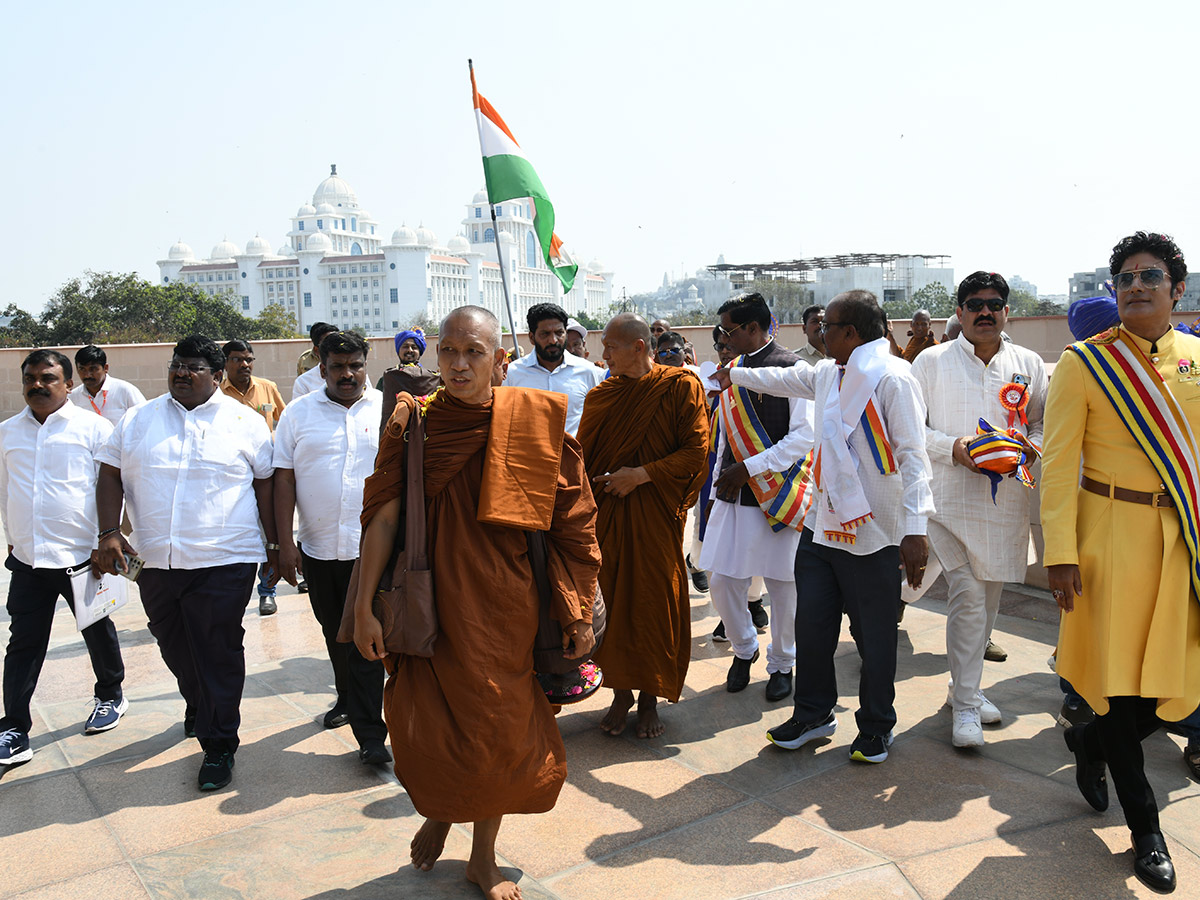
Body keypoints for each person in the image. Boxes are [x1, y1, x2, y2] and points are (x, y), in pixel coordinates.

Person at [351, 306, 601, 900]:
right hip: (427, 601)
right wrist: (362, 606)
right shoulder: (414, 423)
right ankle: (442, 809)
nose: (459, 366)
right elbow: (383, 514)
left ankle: (481, 858)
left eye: (474, 353)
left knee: (498, 724)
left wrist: (576, 607)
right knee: (428, 723)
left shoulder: (532, 420)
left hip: (503, 604)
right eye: (449, 352)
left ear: (499, 359)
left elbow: (574, 521)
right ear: (434, 355)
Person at [712, 290, 933, 764]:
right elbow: (783, 378)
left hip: (875, 532)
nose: (818, 333)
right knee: (811, 628)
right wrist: (735, 373)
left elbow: (915, 457)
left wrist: (916, 528)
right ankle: (813, 713)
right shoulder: (829, 374)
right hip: (822, 526)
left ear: (850, 333)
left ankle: (876, 725)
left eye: (827, 326)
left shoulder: (894, 378)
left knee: (873, 637)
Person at [1043, 232, 1200, 894]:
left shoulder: (1196, 357)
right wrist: (1058, 553)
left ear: (1177, 289)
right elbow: (1055, 464)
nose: (1136, 284)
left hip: (1182, 538)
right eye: (1125, 277)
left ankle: (1090, 744)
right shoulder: (1084, 362)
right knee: (1117, 687)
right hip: (1108, 539)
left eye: (1150, 275)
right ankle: (1147, 831)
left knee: (1180, 683)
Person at [94, 335, 279, 792]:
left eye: (193, 367)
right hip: (154, 562)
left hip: (225, 559)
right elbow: (110, 473)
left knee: (216, 648)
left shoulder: (246, 422)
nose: (180, 373)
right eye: (177, 364)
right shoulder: (138, 420)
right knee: (174, 645)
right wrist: (108, 531)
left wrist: (276, 546)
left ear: (216, 376)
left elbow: (266, 487)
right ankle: (199, 701)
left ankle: (219, 745)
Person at [911, 272, 1047, 748]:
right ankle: (967, 706)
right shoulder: (930, 362)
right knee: (968, 594)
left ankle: (960, 687)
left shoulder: (1027, 363)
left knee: (987, 600)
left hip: (1006, 501)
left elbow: (1041, 423)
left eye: (994, 304)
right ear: (961, 312)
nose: (985, 312)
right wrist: (956, 447)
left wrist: (1028, 449)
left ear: (1007, 311)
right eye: (974, 304)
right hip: (946, 500)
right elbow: (907, 430)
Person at [578, 313, 710, 739]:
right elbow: (584, 457)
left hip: (655, 512)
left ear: (638, 346)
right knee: (613, 602)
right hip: (610, 516)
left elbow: (696, 452)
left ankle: (650, 698)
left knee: (654, 600)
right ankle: (620, 695)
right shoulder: (604, 395)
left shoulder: (680, 386)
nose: (603, 355)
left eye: (610, 347)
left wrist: (641, 475)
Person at [0, 351, 126, 766]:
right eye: (30, 378)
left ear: (68, 384)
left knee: (96, 628)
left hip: (83, 555)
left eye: (49, 377)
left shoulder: (94, 428)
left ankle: (111, 696)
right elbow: (7, 491)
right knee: (23, 643)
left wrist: (106, 540)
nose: (38, 385)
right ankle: (14, 727)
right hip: (30, 560)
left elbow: (113, 487)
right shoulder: (7, 433)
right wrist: (13, 539)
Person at [274, 331, 388, 765]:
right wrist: (285, 543)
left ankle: (370, 735)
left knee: (366, 637)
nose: (347, 374)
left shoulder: (386, 410)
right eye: (337, 367)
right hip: (319, 548)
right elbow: (283, 477)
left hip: (373, 551)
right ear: (320, 369)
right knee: (332, 631)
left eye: (355, 365)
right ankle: (349, 699)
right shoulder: (298, 415)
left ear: (365, 366)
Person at [701, 293, 812, 702]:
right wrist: (717, 485)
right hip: (732, 490)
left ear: (752, 327)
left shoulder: (795, 369)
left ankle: (783, 662)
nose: (724, 338)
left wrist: (750, 468)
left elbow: (805, 436)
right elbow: (727, 437)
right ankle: (744, 648)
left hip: (779, 491)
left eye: (729, 330)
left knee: (785, 587)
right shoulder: (733, 370)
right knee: (721, 580)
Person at [221, 339, 286, 616]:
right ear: (225, 363)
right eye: (237, 359)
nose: (244, 364)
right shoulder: (218, 393)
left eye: (248, 359)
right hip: (234, 475)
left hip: (266, 473)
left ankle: (267, 592)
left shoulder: (267, 388)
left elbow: (283, 422)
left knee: (270, 531)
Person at [505, 302, 605, 437]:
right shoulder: (512, 374)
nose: (553, 340)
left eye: (559, 333)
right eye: (545, 334)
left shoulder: (588, 371)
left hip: (576, 456)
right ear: (531, 338)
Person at [378, 327, 442, 431]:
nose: (409, 350)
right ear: (398, 350)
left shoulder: (431, 378)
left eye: (414, 347)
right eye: (405, 346)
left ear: (419, 351)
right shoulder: (388, 378)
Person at [68, 345, 146, 426]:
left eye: (93, 369)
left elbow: (145, 419)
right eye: (82, 369)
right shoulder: (72, 398)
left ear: (105, 368)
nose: (87, 375)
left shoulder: (125, 391)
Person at [293, 322, 340, 400]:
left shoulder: (356, 374)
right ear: (317, 350)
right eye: (329, 345)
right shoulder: (303, 382)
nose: (335, 349)